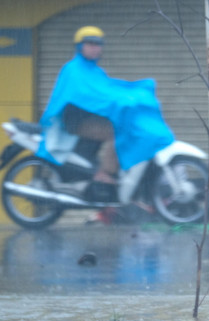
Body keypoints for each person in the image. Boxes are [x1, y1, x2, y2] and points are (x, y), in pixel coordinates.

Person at [38, 26, 175, 196]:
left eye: (99, 44)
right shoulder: (73, 69)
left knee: (125, 125)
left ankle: (110, 171)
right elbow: (88, 96)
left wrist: (132, 94)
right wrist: (118, 101)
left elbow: (108, 89)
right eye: (90, 44)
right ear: (80, 46)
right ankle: (104, 174)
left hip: (90, 118)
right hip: (76, 121)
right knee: (115, 132)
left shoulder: (95, 71)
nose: (95, 48)